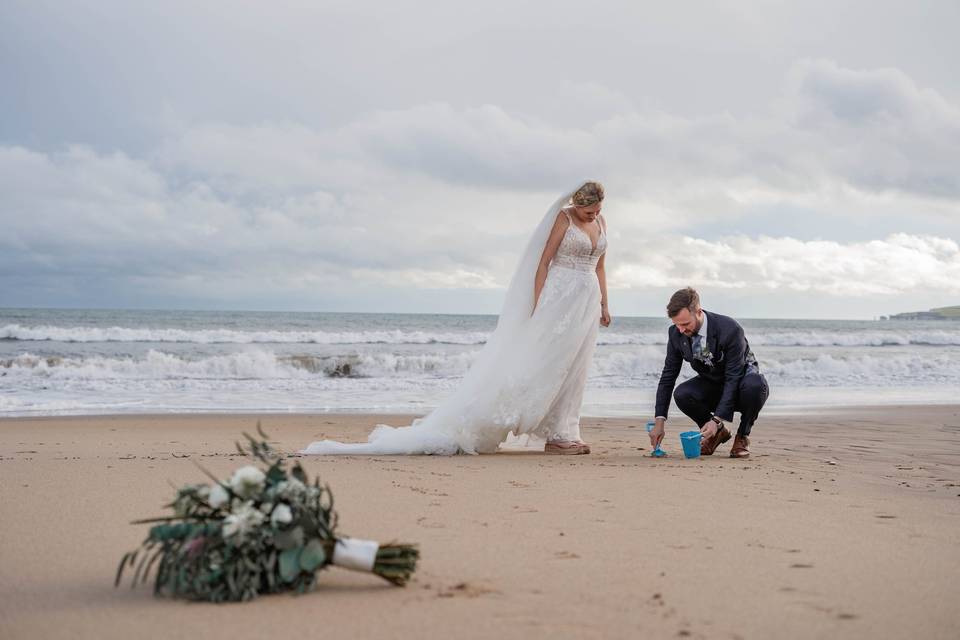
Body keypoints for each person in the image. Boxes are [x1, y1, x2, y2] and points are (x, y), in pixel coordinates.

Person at [301, 181, 611, 455]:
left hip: (587, 301)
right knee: (544, 362)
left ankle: (563, 433)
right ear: (577, 204)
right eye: (588, 213)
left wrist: (605, 305)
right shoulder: (563, 218)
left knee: (575, 367)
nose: (593, 217)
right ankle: (529, 425)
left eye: (596, 212)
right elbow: (544, 262)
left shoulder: (602, 222)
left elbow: (599, 266)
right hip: (558, 298)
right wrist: (538, 302)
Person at [648, 288, 768, 458]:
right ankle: (716, 432)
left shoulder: (730, 329)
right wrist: (659, 421)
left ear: (698, 312)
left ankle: (742, 436)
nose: (680, 330)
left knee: (756, 385)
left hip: (742, 384)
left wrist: (718, 418)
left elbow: (734, 377)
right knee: (683, 394)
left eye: (685, 324)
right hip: (713, 383)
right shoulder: (675, 333)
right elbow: (668, 376)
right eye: (676, 324)